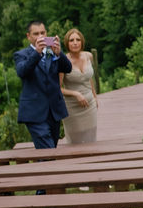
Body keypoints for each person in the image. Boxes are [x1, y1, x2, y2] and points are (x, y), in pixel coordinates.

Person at [14, 20, 71, 148]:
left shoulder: (52, 52)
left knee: (49, 151)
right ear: (28, 36)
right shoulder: (21, 55)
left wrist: (59, 53)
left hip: (54, 111)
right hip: (34, 113)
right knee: (48, 150)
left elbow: (68, 68)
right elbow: (22, 71)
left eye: (43, 32)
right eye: (36, 34)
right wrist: (37, 53)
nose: (40, 36)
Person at [59, 28, 98, 143]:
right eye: (71, 40)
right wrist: (75, 94)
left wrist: (95, 97)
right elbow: (57, 88)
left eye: (78, 40)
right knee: (76, 143)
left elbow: (89, 78)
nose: (75, 43)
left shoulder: (89, 56)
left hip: (90, 104)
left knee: (91, 139)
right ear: (67, 43)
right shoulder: (63, 61)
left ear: (82, 42)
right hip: (72, 108)